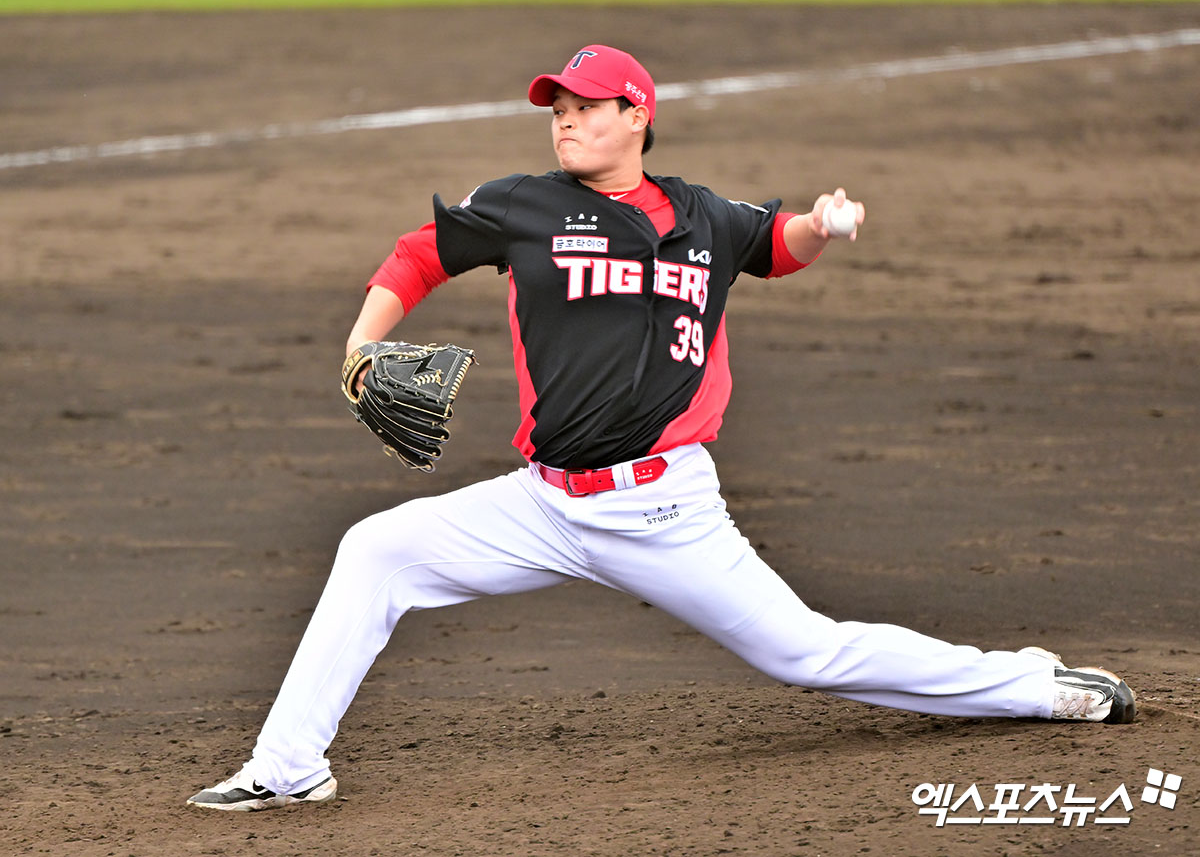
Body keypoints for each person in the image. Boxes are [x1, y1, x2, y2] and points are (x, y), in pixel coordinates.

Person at [187, 44, 1136, 812]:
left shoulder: (701, 217)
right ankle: (287, 768)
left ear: (637, 114)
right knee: (375, 552)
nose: (566, 120)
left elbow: (775, 244)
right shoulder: (524, 205)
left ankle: (1033, 687)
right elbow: (418, 255)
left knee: (804, 652)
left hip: (663, 510)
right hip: (542, 503)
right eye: (558, 107)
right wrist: (361, 341)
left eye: (587, 107)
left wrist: (821, 224)